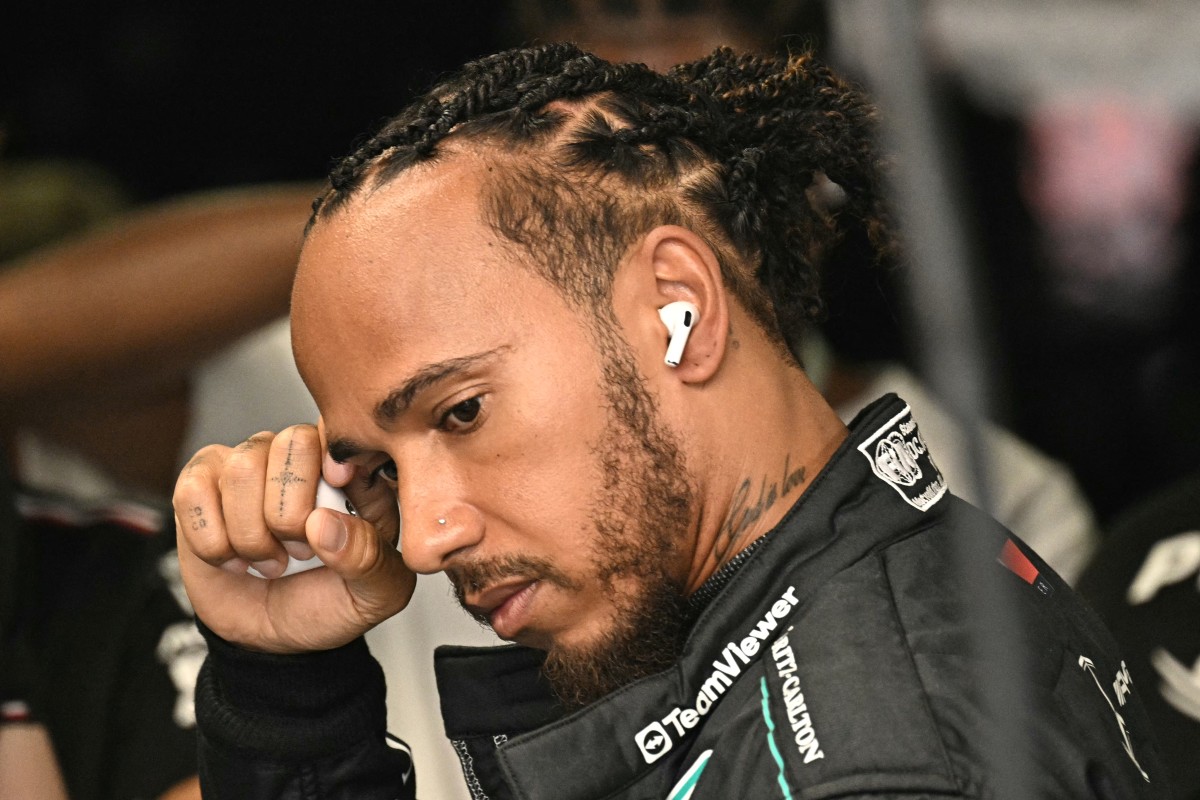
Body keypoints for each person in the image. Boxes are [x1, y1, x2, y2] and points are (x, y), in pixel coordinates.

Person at [175, 44, 1166, 799]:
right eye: (380, 471)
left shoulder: (874, 755)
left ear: (675, 309)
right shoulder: (836, 594)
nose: (428, 534)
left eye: (462, 410)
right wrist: (288, 693)